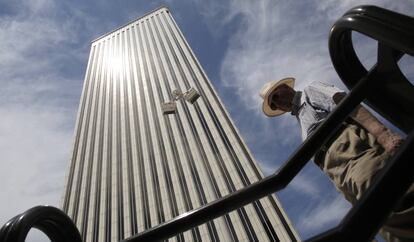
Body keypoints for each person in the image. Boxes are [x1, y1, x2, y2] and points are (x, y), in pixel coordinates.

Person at [259, 77, 414, 242]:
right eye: (273, 104)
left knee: (384, 193)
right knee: (378, 219)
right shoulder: (301, 122)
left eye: (275, 96)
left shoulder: (311, 91)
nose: (278, 103)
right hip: (336, 171)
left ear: (284, 87)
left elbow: (347, 103)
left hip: (349, 150)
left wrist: (383, 134)